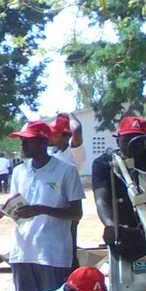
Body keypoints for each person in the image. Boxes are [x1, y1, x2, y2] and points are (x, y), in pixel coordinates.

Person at [0, 121, 84, 291]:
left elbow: (76, 213)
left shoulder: (66, 171)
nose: (23, 145)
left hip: (53, 253)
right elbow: (16, 206)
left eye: (28, 141)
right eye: (22, 140)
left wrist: (41, 209)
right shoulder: (19, 171)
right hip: (23, 251)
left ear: (44, 143)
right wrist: (4, 210)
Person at [92, 115, 146, 234]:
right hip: (121, 229)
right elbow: (101, 200)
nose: (131, 145)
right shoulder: (103, 164)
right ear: (117, 141)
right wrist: (111, 227)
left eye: (137, 140)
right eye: (127, 141)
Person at [49, 113, 85, 268]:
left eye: (55, 133)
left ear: (65, 136)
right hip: (51, 209)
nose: (50, 136)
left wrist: (69, 116)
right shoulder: (52, 153)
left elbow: (77, 130)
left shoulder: (74, 153)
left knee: (68, 251)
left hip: (68, 209)